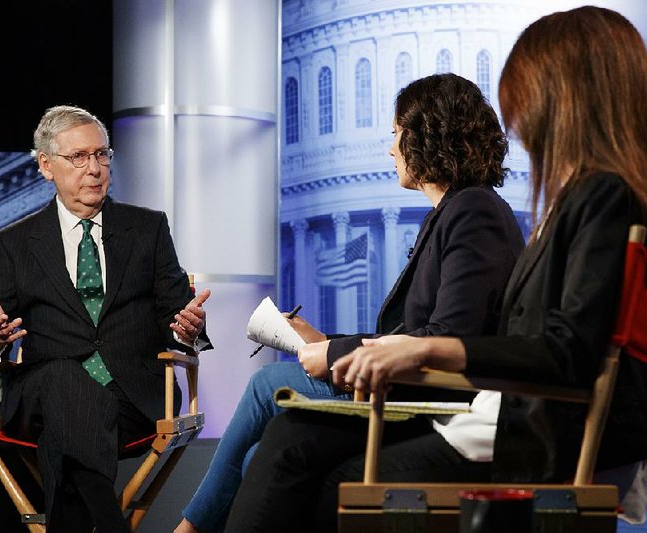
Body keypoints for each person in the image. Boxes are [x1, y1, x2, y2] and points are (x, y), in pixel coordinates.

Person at [226, 6, 647, 532]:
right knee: (295, 440)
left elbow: (566, 351)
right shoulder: (592, 199)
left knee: (314, 461)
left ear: (570, 98)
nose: (517, 117)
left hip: (536, 430)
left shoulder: (602, 198)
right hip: (516, 416)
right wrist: (402, 346)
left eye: (527, 93)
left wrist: (424, 346)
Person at [175, 73, 525, 532]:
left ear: (428, 136)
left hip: (434, 401)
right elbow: (412, 335)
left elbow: (446, 339)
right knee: (265, 454)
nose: (391, 149)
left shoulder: (473, 210)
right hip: (407, 385)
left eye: (397, 133)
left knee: (267, 385)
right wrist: (325, 340)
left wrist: (336, 355)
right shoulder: (452, 214)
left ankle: (187, 530)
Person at [0, 105, 213, 533]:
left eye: (102, 155)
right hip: (42, 396)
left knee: (68, 433)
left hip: (131, 397)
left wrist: (190, 330)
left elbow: (179, 313)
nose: (94, 169)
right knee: (62, 378)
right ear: (46, 165)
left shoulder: (147, 228)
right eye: (78, 157)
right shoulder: (16, 242)